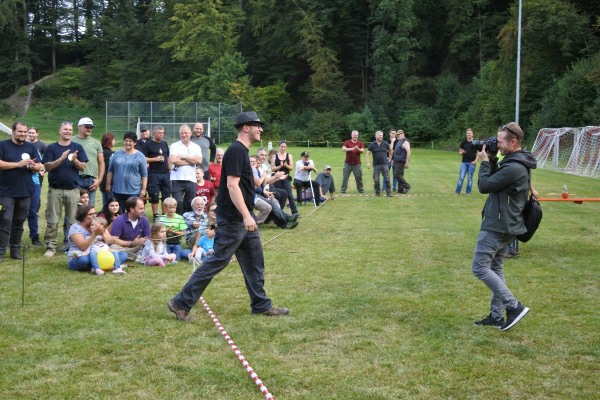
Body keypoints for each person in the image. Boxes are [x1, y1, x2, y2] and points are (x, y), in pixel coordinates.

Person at [168, 111, 289, 322]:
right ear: (246, 127)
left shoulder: (242, 152)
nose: (261, 129)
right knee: (218, 261)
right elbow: (232, 186)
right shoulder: (235, 151)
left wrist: (248, 215)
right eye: (257, 125)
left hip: (244, 217)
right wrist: (246, 215)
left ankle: (261, 304)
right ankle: (181, 302)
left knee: (254, 261)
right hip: (234, 219)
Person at [471, 122, 536, 331]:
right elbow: (496, 181)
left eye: (500, 142)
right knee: (495, 267)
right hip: (507, 223)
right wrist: (491, 158)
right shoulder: (515, 161)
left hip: (499, 225)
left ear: (513, 142)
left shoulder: (514, 167)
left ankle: (514, 306)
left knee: (479, 267)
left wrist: (484, 162)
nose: (497, 145)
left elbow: (485, 185)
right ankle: (497, 316)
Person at [42, 122, 89, 258]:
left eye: (70, 130)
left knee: (73, 221)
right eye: (65, 129)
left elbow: (83, 167)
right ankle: (51, 247)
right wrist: (61, 159)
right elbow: (47, 167)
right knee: (52, 219)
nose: (68, 131)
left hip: (73, 190)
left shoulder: (77, 147)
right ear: (59, 131)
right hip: (55, 190)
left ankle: (72, 246)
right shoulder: (51, 148)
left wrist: (74, 161)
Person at [0, 121, 42, 262]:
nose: (23, 134)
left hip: (25, 191)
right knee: (5, 221)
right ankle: (1, 252)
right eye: (20, 131)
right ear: (13, 131)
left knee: (19, 221)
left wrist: (32, 166)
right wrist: (18, 164)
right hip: (6, 191)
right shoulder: (3, 145)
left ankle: (15, 250)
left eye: (25, 132)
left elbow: (39, 166)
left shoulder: (31, 147)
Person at [67, 205, 127, 275]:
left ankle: (97, 267)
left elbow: (110, 241)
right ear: (83, 216)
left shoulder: (98, 224)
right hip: (81, 256)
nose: (94, 216)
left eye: (95, 213)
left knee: (123, 255)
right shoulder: (75, 228)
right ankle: (110, 266)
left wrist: (102, 233)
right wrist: (95, 234)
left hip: (100, 254)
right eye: (90, 214)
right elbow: (83, 247)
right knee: (84, 260)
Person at [105, 131, 148, 213]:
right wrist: (108, 184)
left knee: (133, 212)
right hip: (118, 190)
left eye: (130, 141)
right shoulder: (116, 154)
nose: (128, 143)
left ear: (135, 143)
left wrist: (143, 189)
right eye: (126, 141)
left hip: (134, 191)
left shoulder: (140, 156)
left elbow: (144, 174)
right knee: (119, 213)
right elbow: (110, 170)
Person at [169, 124, 203, 215]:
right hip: (177, 179)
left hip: (191, 179)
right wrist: (191, 161)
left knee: (190, 202)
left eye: (186, 133)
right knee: (178, 202)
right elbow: (172, 160)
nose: (184, 135)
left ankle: (189, 219)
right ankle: (178, 219)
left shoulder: (196, 147)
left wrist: (183, 157)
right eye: (182, 133)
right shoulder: (174, 146)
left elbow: (199, 160)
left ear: (190, 133)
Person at [72, 117, 104, 207]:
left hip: (91, 180)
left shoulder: (96, 143)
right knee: (75, 207)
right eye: (87, 127)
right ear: (79, 126)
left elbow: (101, 162)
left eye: (91, 127)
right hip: (75, 177)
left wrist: (99, 180)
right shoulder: (71, 140)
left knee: (90, 208)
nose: (89, 129)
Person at [143, 125, 171, 221]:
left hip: (165, 173)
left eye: (162, 133)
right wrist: (155, 159)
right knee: (154, 195)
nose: (161, 135)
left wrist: (169, 168)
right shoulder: (148, 144)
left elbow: (168, 157)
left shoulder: (164, 143)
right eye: (159, 133)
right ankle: (155, 215)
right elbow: (144, 158)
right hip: (154, 173)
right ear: (154, 133)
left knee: (166, 194)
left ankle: (164, 214)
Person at [109, 196, 151, 261]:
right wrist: (131, 243)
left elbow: (148, 239)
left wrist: (143, 240)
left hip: (138, 247)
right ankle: (137, 256)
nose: (143, 211)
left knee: (149, 246)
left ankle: (129, 256)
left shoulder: (144, 220)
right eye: (140, 209)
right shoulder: (119, 220)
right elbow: (114, 240)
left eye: (143, 208)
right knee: (113, 248)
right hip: (123, 247)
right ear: (132, 209)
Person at [26, 126, 46, 246]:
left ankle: (34, 236)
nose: (29, 134)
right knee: (17, 212)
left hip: (34, 182)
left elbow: (40, 164)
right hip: (19, 183)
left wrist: (39, 169)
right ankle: (10, 237)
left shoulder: (35, 147)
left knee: (33, 211)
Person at [271, 140, 298, 215]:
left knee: (289, 194)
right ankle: (278, 212)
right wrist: (280, 166)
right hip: (277, 178)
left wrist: (286, 165)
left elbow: (291, 168)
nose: (283, 148)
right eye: (281, 146)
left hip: (286, 177)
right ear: (279, 147)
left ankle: (295, 212)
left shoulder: (289, 156)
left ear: (286, 147)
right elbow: (272, 168)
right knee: (278, 195)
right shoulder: (274, 156)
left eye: (284, 147)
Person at [366, 131, 392, 197]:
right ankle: (377, 193)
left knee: (387, 179)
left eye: (382, 135)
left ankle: (389, 192)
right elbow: (368, 153)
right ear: (376, 136)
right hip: (376, 165)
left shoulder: (385, 143)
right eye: (379, 135)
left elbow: (390, 150)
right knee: (376, 180)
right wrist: (368, 162)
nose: (381, 136)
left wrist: (390, 158)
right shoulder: (372, 144)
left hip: (384, 164)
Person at [455, 128, 478, 195]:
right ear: (466, 134)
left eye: (470, 133)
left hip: (472, 163)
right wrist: (462, 152)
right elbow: (460, 151)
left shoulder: (475, 143)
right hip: (464, 162)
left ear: (472, 134)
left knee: (470, 178)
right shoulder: (463, 142)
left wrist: (475, 161)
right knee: (461, 177)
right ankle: (457, 192)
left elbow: (478, 153)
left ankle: (468, 192)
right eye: (468, 133)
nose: (469, 134)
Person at [391, 130, 411, 194]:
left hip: (401, 161)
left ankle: (407, 186)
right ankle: (400, 189)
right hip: (397, 161)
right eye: (397, 135)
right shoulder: (399, 141)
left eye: (399, 135)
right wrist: (393, 159)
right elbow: (396, 151)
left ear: (403, 134)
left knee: (396, 174)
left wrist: (407, 162)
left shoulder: (405, 142)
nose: (397, 136)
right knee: (400, 175)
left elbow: (408, 151)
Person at [99, 133, 116, 207]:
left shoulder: (101, 152)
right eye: (114, 140)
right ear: (110, 141)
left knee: (105, 203)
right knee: (112, 203)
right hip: (110, 182)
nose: (114, 142)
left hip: (102, 181)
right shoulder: (112, 154)